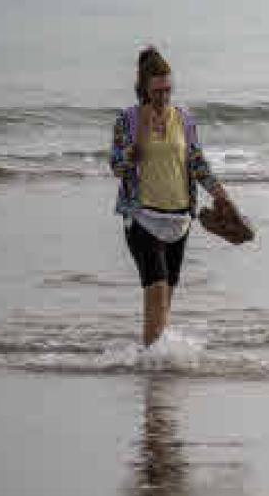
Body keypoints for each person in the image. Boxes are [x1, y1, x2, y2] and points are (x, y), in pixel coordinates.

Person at [110, 47, 233, 346]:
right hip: (142, 218)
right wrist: (137, 143)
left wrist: (221, 196)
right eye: (157, 91)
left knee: (166, 300)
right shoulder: (127, 120)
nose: (164, 96)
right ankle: (153, 366)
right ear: (144, 88)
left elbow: (197, 163)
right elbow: (117, 166)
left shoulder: (185, 119)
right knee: (156, 291)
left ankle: (155, 372)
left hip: (179, 220)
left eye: (168, 89)